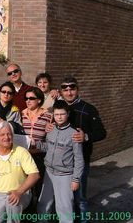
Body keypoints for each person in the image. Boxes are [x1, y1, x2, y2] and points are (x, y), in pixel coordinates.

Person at [57, 77, 106, 222]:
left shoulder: (89, 109)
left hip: (80, 161)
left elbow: (102, 132)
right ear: (61, 91)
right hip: (61, 162)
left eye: (72, 88)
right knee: (64, 198)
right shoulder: (57, 107)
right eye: (65, 89)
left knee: (80, 198)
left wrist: (86, 136)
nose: (69, 92)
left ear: (77, 89)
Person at [0, 122, 40, 223]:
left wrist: (19, 192)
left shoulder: (21, 152)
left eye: (9, 134)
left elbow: (35, 175)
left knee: (12, 203)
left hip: (20, 193)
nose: (6, 137)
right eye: (2, 134)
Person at [33, 100, 84, 223]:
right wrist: (36, 143)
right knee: (44, 202)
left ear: (67, 114)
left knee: (64, 207)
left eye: (62, 114)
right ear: (53, 115)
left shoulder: (74, 134)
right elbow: (48, 148)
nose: (59, 117)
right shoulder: (51, 130)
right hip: (49, 173)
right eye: (56, 114)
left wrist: (76, 179)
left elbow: (79, 159)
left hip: (65, 175)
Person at [21, 87, 53, 202]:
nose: (28, 101)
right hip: (24, 156)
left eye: (31, 98)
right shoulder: (22, 114)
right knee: (25, 187)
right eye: (26, 98)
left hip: (40, 156)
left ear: (39, 100)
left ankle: (39, 213)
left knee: (39, 186)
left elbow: (50, 139)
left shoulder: (48, 116)